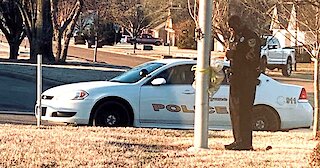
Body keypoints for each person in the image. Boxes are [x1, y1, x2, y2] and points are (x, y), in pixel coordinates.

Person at [225, 15, 261, 150]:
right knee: (235, 110)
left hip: (246, 79)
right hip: (236, 78)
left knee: (244, 110)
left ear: (238, 24)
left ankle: (245, 142)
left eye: (232, 27)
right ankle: (238, 139)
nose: (231, 30)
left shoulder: (250, 37)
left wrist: (233, 54)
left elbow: (251, 57)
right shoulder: (235, 37)